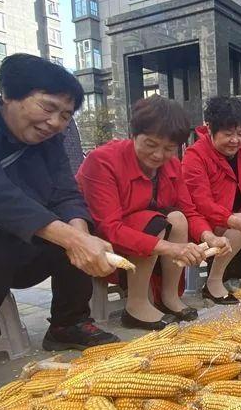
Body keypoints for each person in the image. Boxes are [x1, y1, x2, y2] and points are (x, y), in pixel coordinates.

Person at [0, 54, 119, 410]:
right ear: (8, 95)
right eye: (47, 108)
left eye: (65, 116)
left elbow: (66, 193)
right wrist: (71, 237)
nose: (54, 123)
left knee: (76, 229)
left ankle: (68, 323)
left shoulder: (49, 143)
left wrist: (81, 234)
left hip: (8, 242)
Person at [77, 95, 232, 330]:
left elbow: (188, 211)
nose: (159, 155)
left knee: (177, 218)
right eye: (150, 144)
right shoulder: (103, 161)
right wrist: (171, 248)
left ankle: (169, 297)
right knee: (154, 221)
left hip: (151, 240)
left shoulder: (170, 166)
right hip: (105, 245)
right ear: (133, 135)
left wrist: (209, 238)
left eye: (169, 148)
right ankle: (137, 305)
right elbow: (109, 227)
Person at [182, 96, 241, 304]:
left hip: (236, 217)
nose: (235, 140)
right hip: (207, 222)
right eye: (228, 134)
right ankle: (213, 282)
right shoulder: (194, 156)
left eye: (240, 134)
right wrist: (233, 219)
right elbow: (200, 203)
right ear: (210, 129)